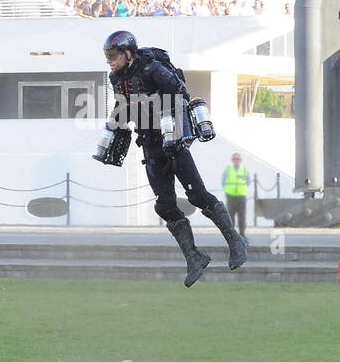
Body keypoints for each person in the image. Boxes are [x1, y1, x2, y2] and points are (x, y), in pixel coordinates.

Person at [95, 31, 246, 286]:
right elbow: (123, 107)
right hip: (148, 143)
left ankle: (235, 241)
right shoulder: (115, 77)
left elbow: (179, 93)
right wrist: (115, 123)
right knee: (164, 205)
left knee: (197, 195)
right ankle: (194, 257)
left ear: (128, 53)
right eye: (107, 56)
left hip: (171, 139)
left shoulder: (152, 68)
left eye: (112, 56)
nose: (109, 61)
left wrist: (155, 108)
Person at [221, 152, 250, 238]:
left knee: (242, 216)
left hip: (241, 196)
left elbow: (248, 182)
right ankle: (232, 235)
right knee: (230, 216)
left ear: (240, 160)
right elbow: (223, 182)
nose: (236, 161)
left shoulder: (244, 170)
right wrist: (228, 191)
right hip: (230, 196)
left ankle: (242, 234)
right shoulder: (228, 169)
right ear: (232, 160)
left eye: (238, 159)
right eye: (234, 159)